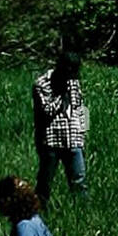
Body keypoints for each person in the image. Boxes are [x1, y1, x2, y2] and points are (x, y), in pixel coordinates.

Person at [33, 52, 89, 206]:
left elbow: (81, 107)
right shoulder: (42, 84)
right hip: (51, 140)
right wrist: (62, 94)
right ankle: (39, 212)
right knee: (45, 181)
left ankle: (82, 212)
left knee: (79, 180)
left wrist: (83, 132)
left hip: (74, 138)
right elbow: (47, 111)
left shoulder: (74, 82)